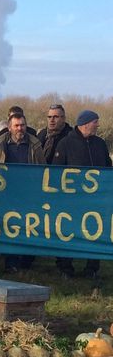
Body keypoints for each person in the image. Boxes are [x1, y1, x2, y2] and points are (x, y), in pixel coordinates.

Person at [52, 110, 112, 280]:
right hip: (71, 200)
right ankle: (65, 268)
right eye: (95, 122)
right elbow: (56, 172)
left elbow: (108, 168)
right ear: (85, 124)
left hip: (96, 200)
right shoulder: (65, 143)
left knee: (96, 232)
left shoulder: (100, 144)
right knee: (67, 232)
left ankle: (92, 268)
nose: (98, 125)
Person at [0, 113, 46, 274]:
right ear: (9, 127)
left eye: (23, 125)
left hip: (24, 194)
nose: (20, 128)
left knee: (16, 228)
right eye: (17, 125)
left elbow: (43, 169)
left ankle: (12, 263)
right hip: (1, 194)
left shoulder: (35, 145)